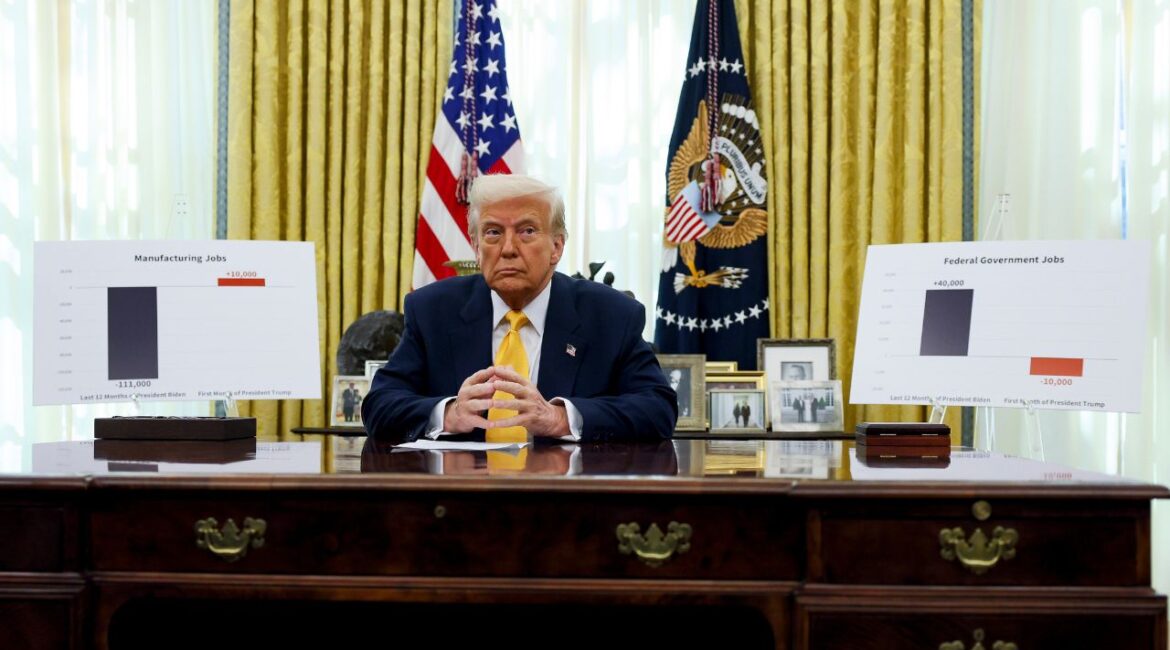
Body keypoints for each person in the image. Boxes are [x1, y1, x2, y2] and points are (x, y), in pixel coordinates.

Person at [361, 174, 677, 444]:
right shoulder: (433, 311)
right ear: (476, 245)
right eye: (493, 232)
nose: (508, 249)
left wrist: (559, 418)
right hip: (459, 499)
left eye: (526, 231)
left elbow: (657, 409)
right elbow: (380, 404)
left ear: (556, 247)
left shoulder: (610, 315)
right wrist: (448, 413)